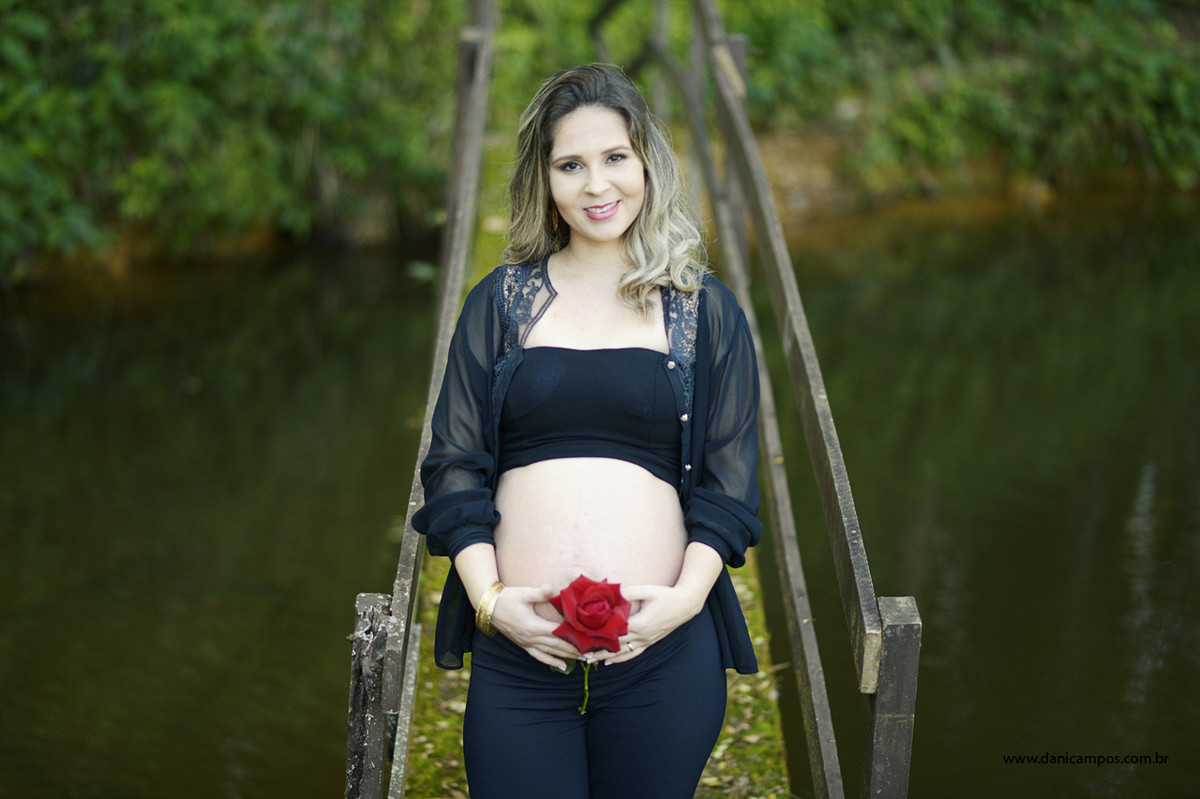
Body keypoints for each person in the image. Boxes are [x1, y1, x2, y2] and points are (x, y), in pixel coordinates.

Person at [413, 63, 762, 799]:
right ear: (544, 181)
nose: (597, 186)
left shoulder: (703, 311)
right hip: (518, 655)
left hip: (660, 653)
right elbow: (453, 465)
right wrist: (492, 601)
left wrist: (688, 598)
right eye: (571, 165)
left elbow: (731, 484)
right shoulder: (501, 302)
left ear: (647, 164)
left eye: (615, 159)